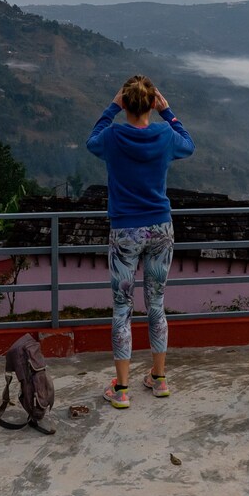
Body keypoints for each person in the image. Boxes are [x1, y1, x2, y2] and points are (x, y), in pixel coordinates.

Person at [86, 75, 195, 409]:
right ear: (151, 103)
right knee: (157, 303)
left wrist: (111, 107)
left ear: (125, 103)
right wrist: (168, 111)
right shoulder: (164, 135)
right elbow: (188, 144)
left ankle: (121, 388)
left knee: (122, 308)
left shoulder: (114, 136)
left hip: (125, 231)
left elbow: (92, 141)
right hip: (160, 228)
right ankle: (159, 379)